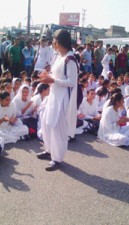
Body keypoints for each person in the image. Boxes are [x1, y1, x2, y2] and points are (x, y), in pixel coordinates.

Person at [37, 29, 78, 171]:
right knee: (47, 123)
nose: (52, 43)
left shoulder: (70, 59)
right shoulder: (58, 56)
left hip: (62, 99)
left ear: (59, 41)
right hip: (53, 95)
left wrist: (52, 79)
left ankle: (57, 158)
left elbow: (72, 82)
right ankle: (49, 151)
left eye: (53, 40)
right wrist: (47, 76)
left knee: (58, 128)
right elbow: (55, 76)